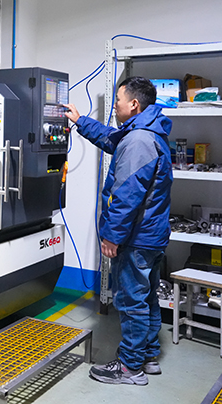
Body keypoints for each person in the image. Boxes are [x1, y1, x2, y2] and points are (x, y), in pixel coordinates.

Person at [63, 76, 172, 386]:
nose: (114, 106)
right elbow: (112, 139)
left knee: (130, 300)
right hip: (151, 236)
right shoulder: (146, 132)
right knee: (146, 297)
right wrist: (81, 121)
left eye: (118, 101)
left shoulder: (138, 142)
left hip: (136, 238)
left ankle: (129, 367)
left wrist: (112, 235)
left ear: (134, 104)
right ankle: (148, 356)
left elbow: (126, 196)